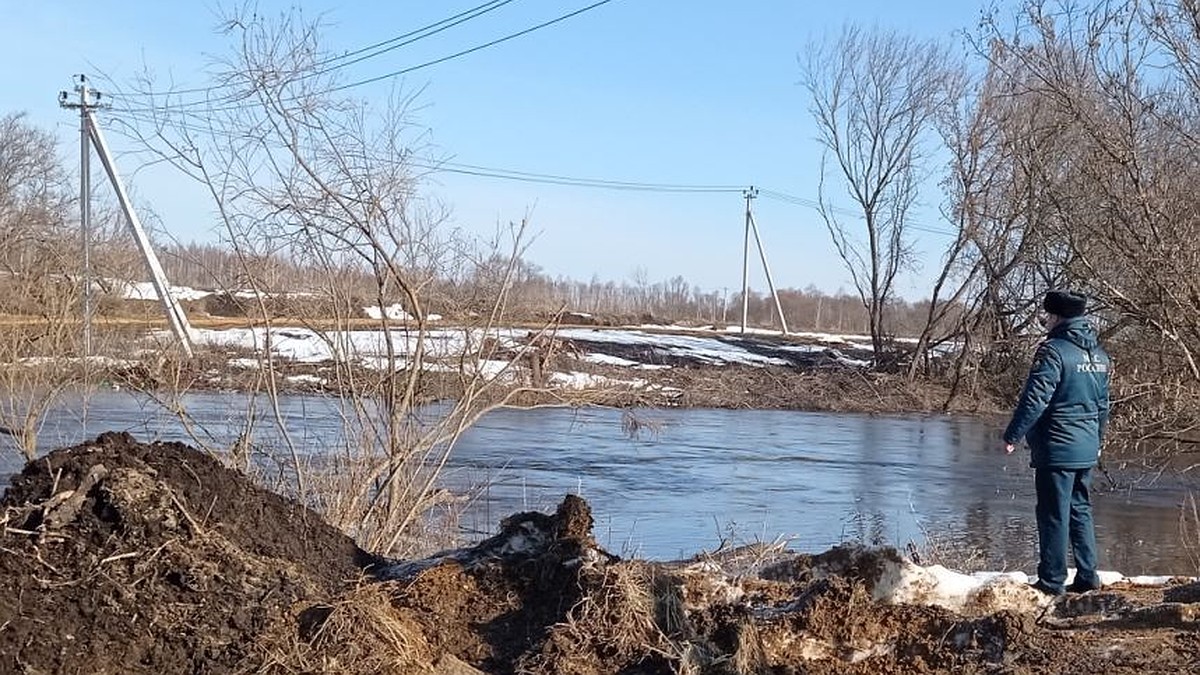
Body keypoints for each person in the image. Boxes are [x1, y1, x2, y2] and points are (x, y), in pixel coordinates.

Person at [1003, 290, 1111, 596]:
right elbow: (1103, 406)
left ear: (1057, 317)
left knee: (1053, 513)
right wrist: (1097, 440)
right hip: (1087, 446)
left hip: (1058, 446)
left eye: (1046, 316)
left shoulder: (1053, 351)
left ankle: (1052, 581)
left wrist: (1013, 434)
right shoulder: (1100, 355)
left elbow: (1036, 399)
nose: (1045, 321)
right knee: (1080, 509)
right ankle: (1088, 577)